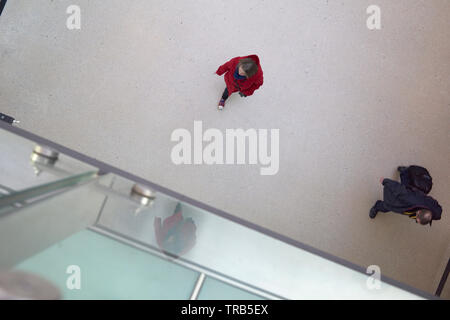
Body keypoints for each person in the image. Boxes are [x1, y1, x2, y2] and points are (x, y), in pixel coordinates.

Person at [369, 172, 442, 226]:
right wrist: (385, 181)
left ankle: (404, 173)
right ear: (418, 212)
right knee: (388, 205)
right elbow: (400, 190)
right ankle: (377, 206)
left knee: (407, 187)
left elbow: (436, 206)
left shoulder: (435, 213)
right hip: (409, 198)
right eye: (417, 219)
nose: (416, 220)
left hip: (415, 195)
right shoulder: (411, 200)